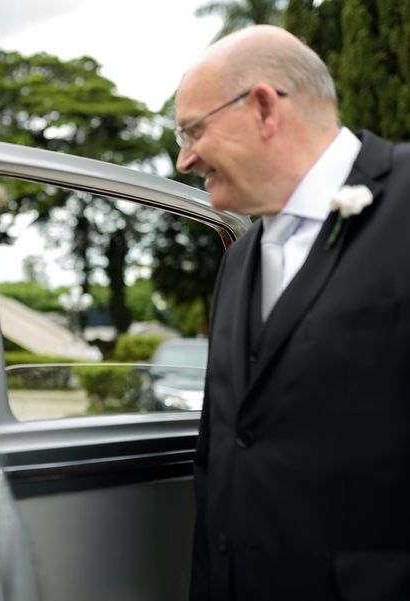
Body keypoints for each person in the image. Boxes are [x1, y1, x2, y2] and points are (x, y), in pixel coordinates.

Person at [175, 25, 410, 600]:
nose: (184, 160)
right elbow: (220, 454)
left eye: (192, 131)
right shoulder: (238, 260)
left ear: (262, 107)